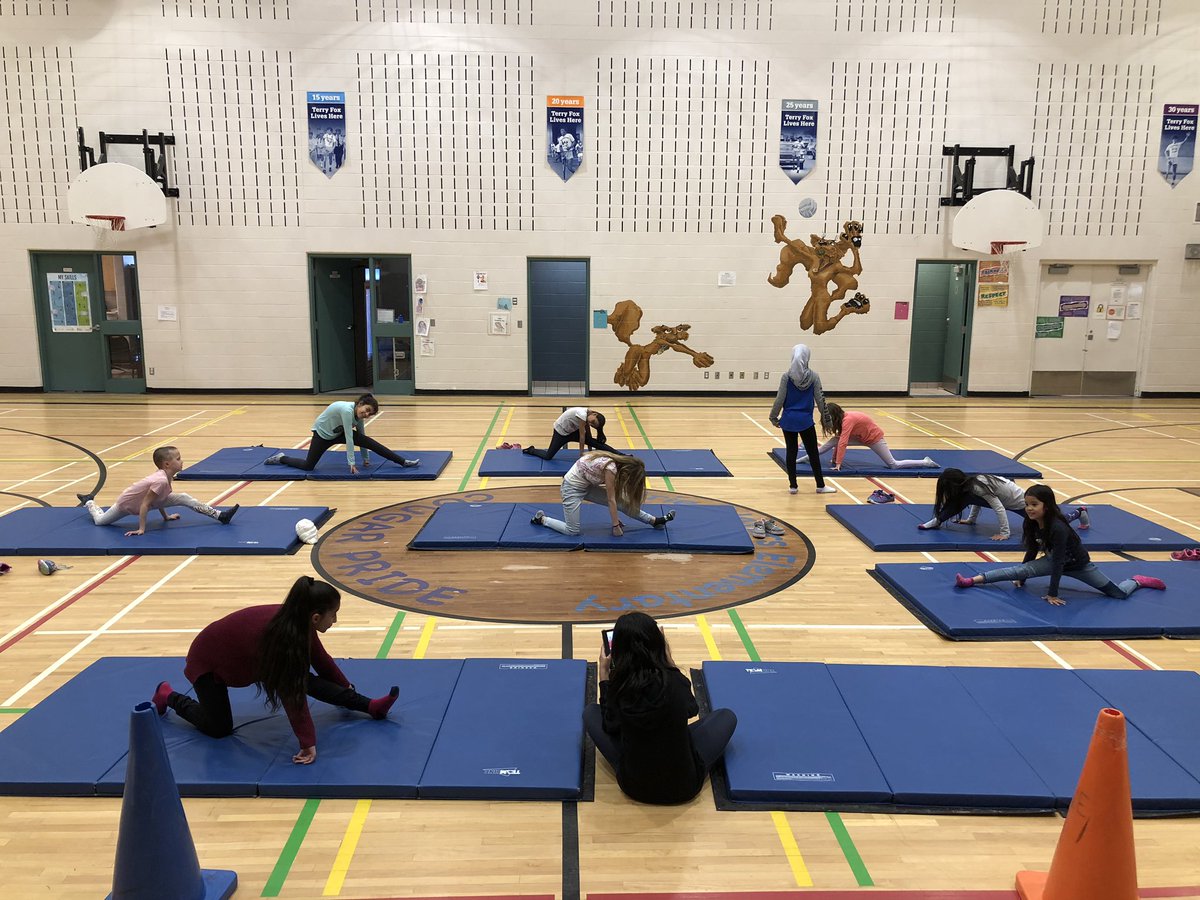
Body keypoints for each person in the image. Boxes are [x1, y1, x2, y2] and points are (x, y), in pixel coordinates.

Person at [152, 576, 399, 765]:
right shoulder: (283, 638)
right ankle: (168, 695)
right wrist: (308, 743)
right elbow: (293, 698)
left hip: (244, 656)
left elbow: (322, 660)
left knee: (306, 680)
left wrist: (347, 690)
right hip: (208, 662)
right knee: (219, 729)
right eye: (333, 615)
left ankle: (371, 707)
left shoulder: (298, 621)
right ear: (315, 617)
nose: (335, 621)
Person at [584, 611, 736, 804]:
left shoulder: (620, 686)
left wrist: (604, 675)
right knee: (726, 716)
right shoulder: (673, 681)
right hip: (685, 787)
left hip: (634, 787)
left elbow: (610, 725)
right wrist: (670, 663)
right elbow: (692, 709)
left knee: (590, 712)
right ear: (659, 644)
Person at [954, 484, 1165, 606]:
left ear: (1047, 506)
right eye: (1027, 504)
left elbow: (1058, 565)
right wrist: (1023, 577)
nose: (1028, 508)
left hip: (1079, 565)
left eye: (1034, 505)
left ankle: (1137, 581)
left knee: (1118, 594)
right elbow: (1032, 549)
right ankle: (972, 580)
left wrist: (1053, 593)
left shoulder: (1059, 528)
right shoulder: (1031, 522)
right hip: (1054, 559)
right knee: (1018, 570)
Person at [76, 445, 238, 537]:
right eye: (178, 459)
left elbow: (160, 498)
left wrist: (166, 516)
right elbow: (146, 504)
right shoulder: (161, 480)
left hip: (144, 502)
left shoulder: (166, 477)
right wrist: (142, 529)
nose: (182, 461)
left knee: (184, 497)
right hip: (127, 504)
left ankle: (220, 516)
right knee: (100, 521)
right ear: (167, 464)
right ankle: (89, 501)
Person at [531, 451, 674, 537]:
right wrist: (615, 525)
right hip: (571, 489)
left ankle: (654, 521)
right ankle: (542, 519)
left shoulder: (616, 464)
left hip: (586, 485)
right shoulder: (610, 468)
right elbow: (611, 500)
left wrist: (616, 519)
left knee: (622, 503)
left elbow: (615, 499)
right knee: (572, 531)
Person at [918, 468, 1089, 540]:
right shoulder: (969, 488)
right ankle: (937, 521)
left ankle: (1079, 512)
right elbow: (977, 501)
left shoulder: (976, 487)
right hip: (1009, 496)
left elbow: (998, 507)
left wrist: (1004, 533)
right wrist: (971, 520)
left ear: (956, 485)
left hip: (1020, 502)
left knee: (1054, 524)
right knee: (961, 500)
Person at [265, 394, 419, 473]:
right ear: (359, 404)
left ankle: (402, 462)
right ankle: (281, 458)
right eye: (366, 410)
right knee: (308, 466)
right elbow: (350, 439)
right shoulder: (347, 410)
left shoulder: (358, 415)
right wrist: (351, 463)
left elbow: (362, 436)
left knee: (370, 441)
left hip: (337, 433)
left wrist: (365, 458)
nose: (366, 414)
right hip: (323, 435)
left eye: (369, 414)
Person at [769, 343, 837, 495]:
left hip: (788, 421)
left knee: (791, 452)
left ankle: (793, 486)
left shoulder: (786, 377)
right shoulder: (814, 377)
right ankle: (820, 485)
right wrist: (828, 422)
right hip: (806, 421)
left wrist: (773, 417)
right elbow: (821, 400)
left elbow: (779, 399)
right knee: (813, 453)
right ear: (807, 358)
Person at [797, 402, 937, 471]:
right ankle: (807, 458)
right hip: (860, 437)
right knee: (834, 439)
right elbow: (839, 441)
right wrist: (834, 460)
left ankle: (925, 462)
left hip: (874, 439)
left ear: (835, 415)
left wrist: (838, 464)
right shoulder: (843, 420)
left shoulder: (848, 420)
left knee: (893, 465)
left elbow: (844, 443)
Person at [522, 406, 620, 460]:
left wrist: (590, 448)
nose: (590, 423)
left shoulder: (588, 416)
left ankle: (620, 454)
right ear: (594, 414)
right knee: (548, 456)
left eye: (592, 425)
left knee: (596, 443)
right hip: (561, 432)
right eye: (592, 421)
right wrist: (582, 454)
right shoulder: (582, 414)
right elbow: (582, 437)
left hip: (573, 431)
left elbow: (588, 436)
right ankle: (531, 450)